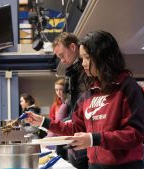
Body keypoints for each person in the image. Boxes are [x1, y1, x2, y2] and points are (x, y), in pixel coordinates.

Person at [26, 30, 144, 169]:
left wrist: (93, 139)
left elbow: (135, 135)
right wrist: (43, 121)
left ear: (103, 57)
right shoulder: (89, 94)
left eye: (87, 58)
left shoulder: (128, 88)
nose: (83, 64)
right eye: (82, 58)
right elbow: (75, 127)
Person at [53, 32, 88, 168]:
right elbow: (74, 106)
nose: (62, 60)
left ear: (73, 47)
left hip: (85, 137)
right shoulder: (73, 73)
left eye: (62, 55)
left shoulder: (85, 72)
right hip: (77, 132)